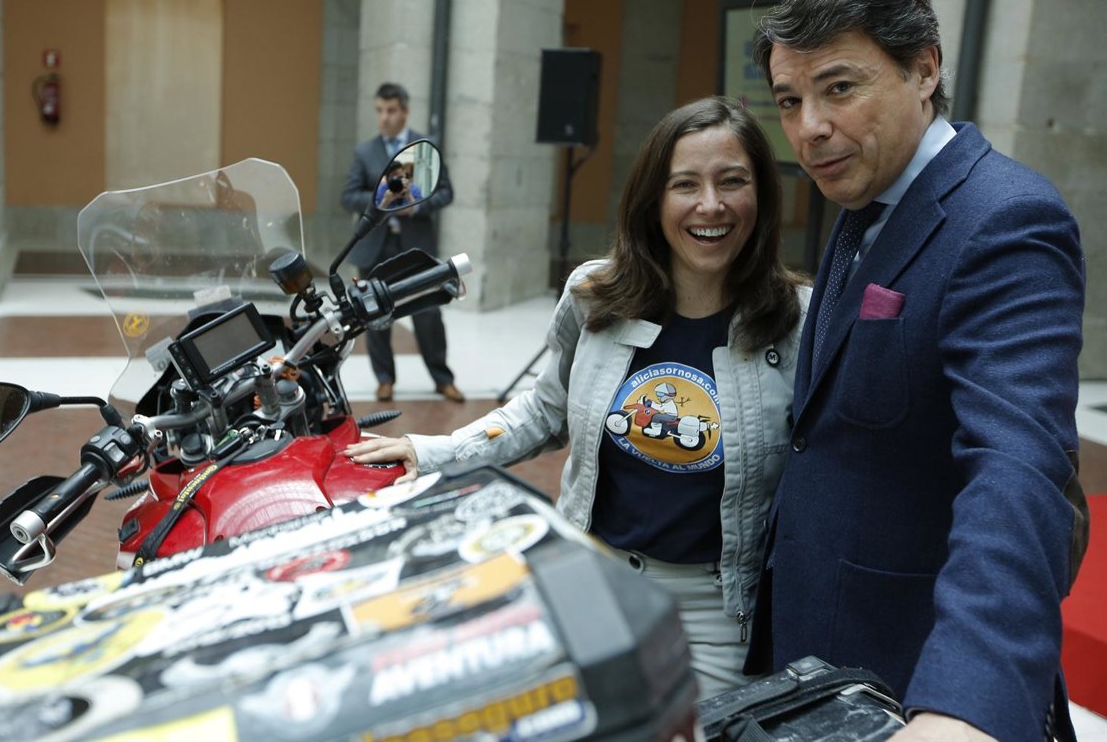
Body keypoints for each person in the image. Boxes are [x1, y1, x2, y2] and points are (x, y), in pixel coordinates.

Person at [347, 96, 811, 699]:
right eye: (685, 184)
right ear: (652, 198)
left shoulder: (800, 323)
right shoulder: (596, 293)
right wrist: (435, 451)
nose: (710, 204)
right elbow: (546, 410)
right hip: (593, 577)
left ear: (762, 196)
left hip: (717, 613)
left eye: (732, 181)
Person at [745, 0, 1088, 741]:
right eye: (790, 101)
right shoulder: (866, 197)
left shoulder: (1007, 221)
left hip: (915, 676)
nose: (808, 128)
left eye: (839, 87)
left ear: (924, 70)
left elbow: (1018, 469)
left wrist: (966, 700)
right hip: (815, 654)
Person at [341, 82, 463, 403]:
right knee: (376, 315)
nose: (384, 117)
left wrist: (416, 205)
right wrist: (384, 196)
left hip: (416, 244)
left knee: (429, 314)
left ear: (405, 111)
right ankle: (385, 379)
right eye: (379, 110)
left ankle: (442, 378)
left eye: (391, 110)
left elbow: (446, 192)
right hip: (375, 247)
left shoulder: (426, 147)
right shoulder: (364, 152)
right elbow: (348, 197)